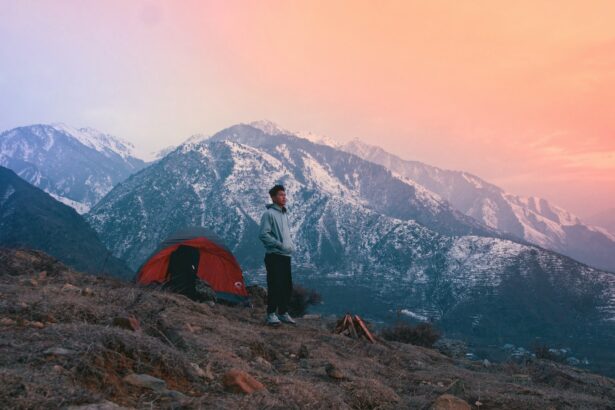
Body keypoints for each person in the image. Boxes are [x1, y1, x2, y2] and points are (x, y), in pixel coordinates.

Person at [258, 184, 296, 326]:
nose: (284, 197)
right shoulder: (269, 214)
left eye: (285, 195)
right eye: (281, 195)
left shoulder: (284, 213)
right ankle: (271, 314)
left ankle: (283, 312)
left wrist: (289, 246)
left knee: (287, 286)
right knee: (275, 285)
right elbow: (263, 235)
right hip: (274, 255)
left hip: (285, 256)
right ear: (273, 197)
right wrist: (279, 245)